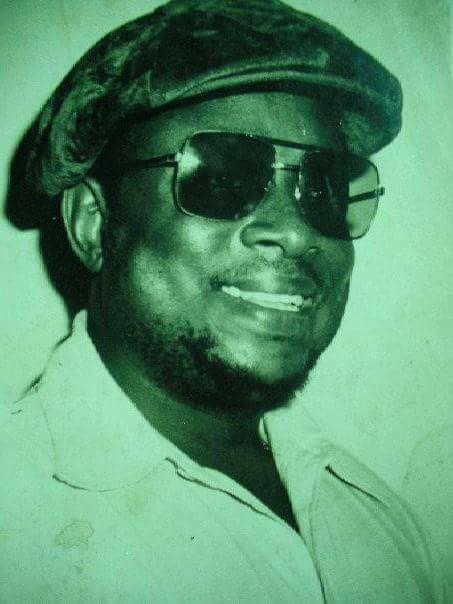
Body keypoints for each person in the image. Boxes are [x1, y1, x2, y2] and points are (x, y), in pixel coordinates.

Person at [1, 0, 445, 601]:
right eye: (222, 177)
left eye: (324, 188)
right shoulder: (18, 526)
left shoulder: (368, 509)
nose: (296, 232)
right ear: (94, 225)